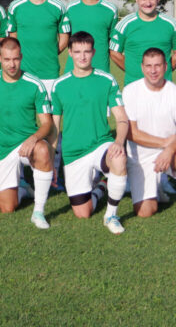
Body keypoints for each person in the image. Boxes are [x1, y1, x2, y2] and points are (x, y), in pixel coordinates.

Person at [51, 32, 129, 234]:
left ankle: (111, 215)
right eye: (77, 52)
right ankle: (102, 185)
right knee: (82, 213)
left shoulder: (107, 80)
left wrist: (119, 141)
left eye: (87, 51)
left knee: (118, 158)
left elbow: (121, 118)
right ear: (70, 53)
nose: (82, 56)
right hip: (73, 153)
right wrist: (52, 161)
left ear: (93, 52)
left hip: (100, 144)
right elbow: (54, 127)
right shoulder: (59, 85)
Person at [122, 48, 176, 234]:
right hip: (141, 156)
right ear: (142, 67)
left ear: (166, 66)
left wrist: (169, 150)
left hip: (170, 151)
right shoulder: (130, 91)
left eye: (157, 65)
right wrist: (165, 143)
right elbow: (131, 133)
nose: (153, 70)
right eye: (149, 66)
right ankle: (157, 187)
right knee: (145, 212)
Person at [0, 38, 54, 229]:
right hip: (2, 148)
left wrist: (34, 138)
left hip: (28, 144)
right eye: (7, 59)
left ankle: (38, 212)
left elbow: (47, 124)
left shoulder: (34, 84)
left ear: (21, 57)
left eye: (15, 59)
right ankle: (23, 189)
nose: (12, 64)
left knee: (43, 150)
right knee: (7, 208)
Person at [7, 0, 70, 94]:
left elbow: (64, 37)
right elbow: (13, 38)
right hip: (22, 73)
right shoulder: (15, 7)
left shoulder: (58, 6)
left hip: (50, 73)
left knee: (50, 108)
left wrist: (50, 52)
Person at [109, 0, 176, 86]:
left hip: (163, 87)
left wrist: (164, 71)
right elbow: (114, 53)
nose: (148, 3)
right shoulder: (124, 24)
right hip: (134, 86)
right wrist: (133, 71)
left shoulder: (171, 24)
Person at [64, 0, 118, 74]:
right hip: (74, 70)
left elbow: (113, 43)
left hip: (100, 69)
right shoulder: (70, 9)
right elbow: (65, 38)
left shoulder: (110, 10)